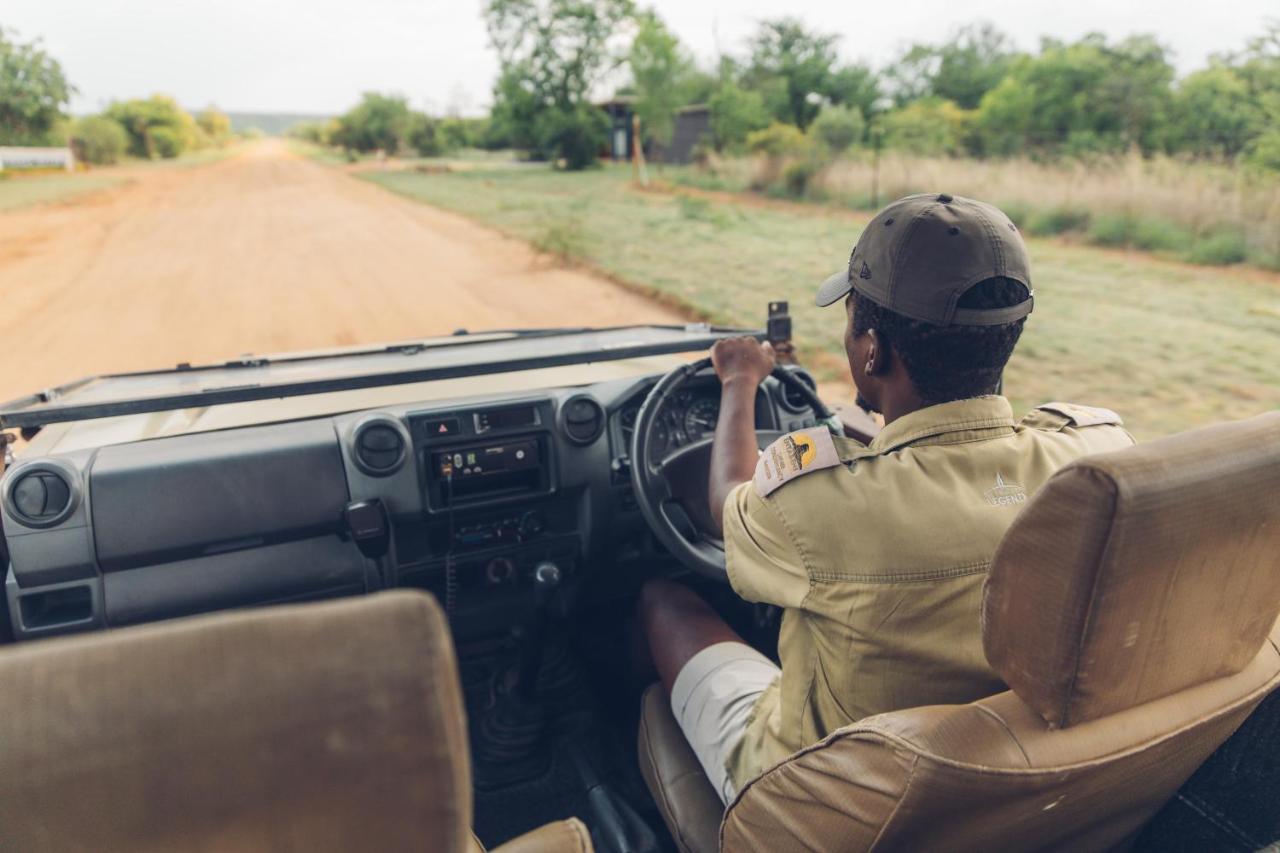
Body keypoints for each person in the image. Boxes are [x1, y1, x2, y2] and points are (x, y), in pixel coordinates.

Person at [638, 192, 1136, 805]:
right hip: (1019, 782)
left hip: (817, 798)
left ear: (872, 350)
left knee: (663, 601)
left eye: (850, 323)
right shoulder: (1100, 458)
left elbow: (728, 502)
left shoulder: (813, 505)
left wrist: (740, 382)